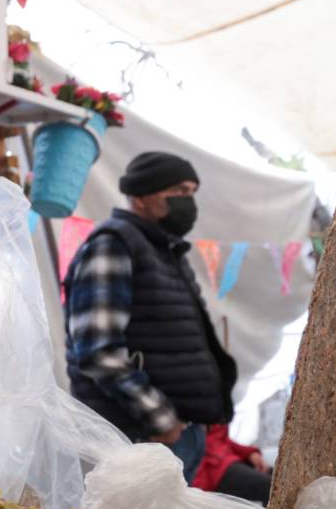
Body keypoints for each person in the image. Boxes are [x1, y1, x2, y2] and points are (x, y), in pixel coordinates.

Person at [64, 151, 238, 482]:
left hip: (176, 434)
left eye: (192, 192)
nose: (188, 201)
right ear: (141, 196)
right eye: (179, 192)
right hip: (141, 437)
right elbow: (98, 351)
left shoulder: (166, 250)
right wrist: (161, 418)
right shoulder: (114, 245)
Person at [190, 424, 270, 503]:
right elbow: (194, 450)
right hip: (215, 469)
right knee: (270, 486)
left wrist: (250, 453)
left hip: (225, 459)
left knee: (275, 476)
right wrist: (201, 495)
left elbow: (222, 440)